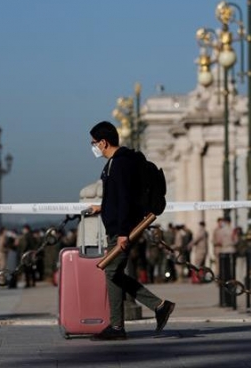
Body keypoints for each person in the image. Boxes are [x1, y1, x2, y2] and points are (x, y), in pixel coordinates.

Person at [86, 121, 175, 340]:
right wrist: (102, 207)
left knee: (111, 271)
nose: (93, 147)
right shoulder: (119, 162)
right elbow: (118, 197)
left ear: (104, 142)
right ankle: (156, 307)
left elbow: (125, 199)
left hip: (122, 229)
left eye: (94, 143)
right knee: (114, 272)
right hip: (119, 226)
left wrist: (124, 232)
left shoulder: (119, 164)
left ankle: (120, 325)